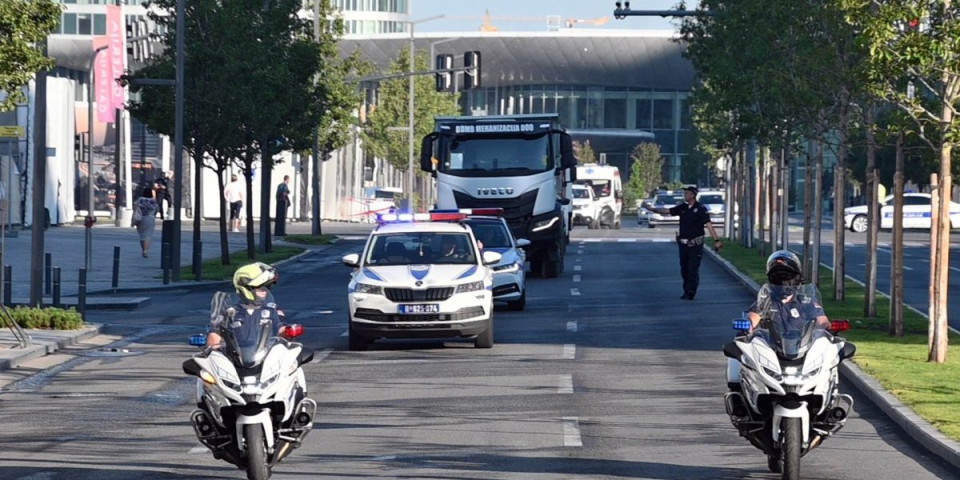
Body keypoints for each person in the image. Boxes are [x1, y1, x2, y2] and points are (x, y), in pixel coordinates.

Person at [651, 185, 723, 300]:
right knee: (684, 268)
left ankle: (691, 291)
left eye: (687, 193)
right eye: (685, 193)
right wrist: (653, 209)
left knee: (693, 268)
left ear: (693, 195)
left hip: (696, 244)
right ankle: (686, 290)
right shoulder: (683, 208)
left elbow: (709, 224)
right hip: (683, 244)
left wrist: (716, 240)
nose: (685, 195)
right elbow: (668, 211)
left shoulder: (700, 209)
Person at [746, 250, 831, 333]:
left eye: (787, 276)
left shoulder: (806, 301)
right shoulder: (765, 301)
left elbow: (821, 320)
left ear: (797, 278)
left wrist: (826, 326)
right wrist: (749, 324)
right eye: (776, 276)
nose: (782, 281)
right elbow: (753, 316)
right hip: (769, 346)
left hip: (804, 345)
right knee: (737, 344)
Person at [206, 262, 284, 350]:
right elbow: (216, 334)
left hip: (266, 355)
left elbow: (281, 328)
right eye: (259, 287)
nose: (264, 290)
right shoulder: (231, 311)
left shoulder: (270, 309)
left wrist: (289, 331)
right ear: (245, 288)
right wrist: (214, 346)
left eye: (267, 287)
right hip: (235, 356)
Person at [135, 186, 159, 258]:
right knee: (148, 235)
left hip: (140, 218)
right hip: (150, 218)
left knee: (142, 235)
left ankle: (143, 249)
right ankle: (146, 251)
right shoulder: (153, 201)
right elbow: (157, 209)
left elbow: (135, 207)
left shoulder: (140, 199)